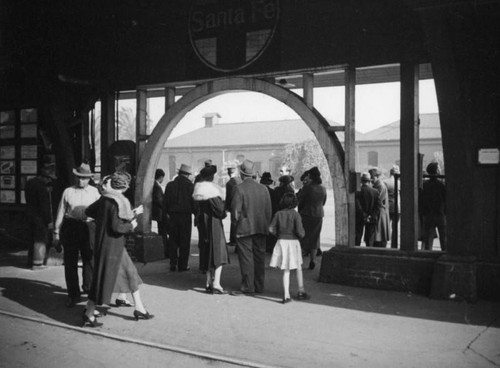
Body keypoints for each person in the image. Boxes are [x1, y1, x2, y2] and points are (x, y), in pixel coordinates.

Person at [83, 171, 152, 327]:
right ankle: (90, 311)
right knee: (127, 273)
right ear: (124, 187)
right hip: (114, 246)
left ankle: (91, 311)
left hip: (104, 244)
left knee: (104, 276)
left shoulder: (105, 199)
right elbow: (117, 227)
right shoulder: (118, 201)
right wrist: (131, 225)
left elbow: (89, 212)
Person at [53, 163, 101, 307]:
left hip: (89, 226)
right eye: (79, 178)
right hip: (71, 226)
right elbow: (61, 211)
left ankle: (88, 289)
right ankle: (73, 295)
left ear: (89, 179)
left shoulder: (95, 192)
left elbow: (100, 212)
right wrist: (56, 232)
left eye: (84, 178)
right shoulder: (68, 191)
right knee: (70, 261)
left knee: (89, 259)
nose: (81, 181)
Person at [230, 159, 272, 295]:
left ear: (242, 174)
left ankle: (248, 286)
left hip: (244, 228)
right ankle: (259, 285)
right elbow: (268, 211)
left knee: (246, 258)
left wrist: (236, 226)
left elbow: (235, 212)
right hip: (261, 227)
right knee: (259, 258)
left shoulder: (239, 188)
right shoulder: (264, 189)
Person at [193, 165, 230, 294]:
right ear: (211, 177)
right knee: (218, 253)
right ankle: (216, 283)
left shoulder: (197, 191)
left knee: (206, 251)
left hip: (203, 224)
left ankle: (208, 281)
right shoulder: (212, 192)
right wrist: (224, 212)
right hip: (213, 224)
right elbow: (220, 210)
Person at [269, 192, 310, 304]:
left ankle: (286, 295)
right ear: (295, 202)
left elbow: (271, 229)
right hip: (293, 242)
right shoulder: (296, 215)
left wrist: (279, 235)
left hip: (282, 241)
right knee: (298, 267)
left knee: (285, 269)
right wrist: (300, 235)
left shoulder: (278, 214)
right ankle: (301, 291)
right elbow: (301, 233)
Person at [24, 162, 57, 270]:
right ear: (45, 177)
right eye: (49, 179)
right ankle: (37, 263)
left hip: (29, 215)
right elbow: (45, 207)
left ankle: (30, 261)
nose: (49, 182)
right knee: (40, 240)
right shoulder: (42, 188)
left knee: (31, 239)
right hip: (40, 219)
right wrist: (49, 221)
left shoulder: (29, 183)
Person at [163, 164, 195, 272]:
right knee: (184, 241)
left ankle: (173, 263)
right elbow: (194, 203)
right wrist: (196, 214)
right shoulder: (190, 186)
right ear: (187, 175)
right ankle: (182, 265)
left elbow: (165, 202)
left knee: (173, 240)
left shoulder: (170, 185)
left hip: (172, 216)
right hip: (185, 216)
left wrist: (166, 213)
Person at [298, 167, 326, 270]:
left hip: (306, 214)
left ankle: (298, 261)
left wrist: (300, 211)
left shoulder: (307, 188)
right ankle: (313, 260)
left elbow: (301, 202)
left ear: (311, 177)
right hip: (318, 215)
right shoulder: (323, 188)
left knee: (303, 237)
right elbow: (323, 202)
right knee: (315, 238)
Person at [420, 162, 446, 251]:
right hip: (440, 214)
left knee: (428, 241)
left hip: (428, 215)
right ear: (437, 171)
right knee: (444, 240)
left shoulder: (425, 185)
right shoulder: (441, 185)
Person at [355, 172, 381, 247]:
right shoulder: (375, 192)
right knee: (369, 238)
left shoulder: (357, 192)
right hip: (371, 218)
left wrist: (364, 215)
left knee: (358, 236)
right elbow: (378, 206)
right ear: (369, 181)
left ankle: (357, 252)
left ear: (361, 181)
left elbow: (358, 206)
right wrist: (371, 215)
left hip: (360, 218)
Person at [369, 167, 391, 248]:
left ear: (377, 176)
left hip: (380, 212)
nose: (371, 179)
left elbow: (378, 201)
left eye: (372, 177)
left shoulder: (380, 186)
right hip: (379, 211)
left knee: (380, 233)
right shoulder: (377, 185)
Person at [260, 172, 279, 253]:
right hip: (271, 212)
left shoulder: (259, 191)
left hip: (261, 214)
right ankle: (270, 246)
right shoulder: (273, 192)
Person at [224, 166, 242, 247]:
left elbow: (228, 196)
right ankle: (237, 240)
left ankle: (233, 240)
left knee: (233, 222)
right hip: (242, 204)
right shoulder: (241, 180)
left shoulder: (229, 183)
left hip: (233, 204)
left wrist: (226, 207)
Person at [152, 168, 168, 258]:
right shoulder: (156, 187)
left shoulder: (154, 185)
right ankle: (165, 250)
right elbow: (159, 200)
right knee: (163, 232)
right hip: (160, 213)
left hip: (159, 213)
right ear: (161, 177)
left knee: (162, 231)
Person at [384, 165, 400, 248]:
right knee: (395, 228)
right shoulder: (400, 183)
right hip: (397, 207)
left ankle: (385, 243)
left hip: (387, 207)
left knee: (387, 227)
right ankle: (394, 245)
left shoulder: (385, 182)